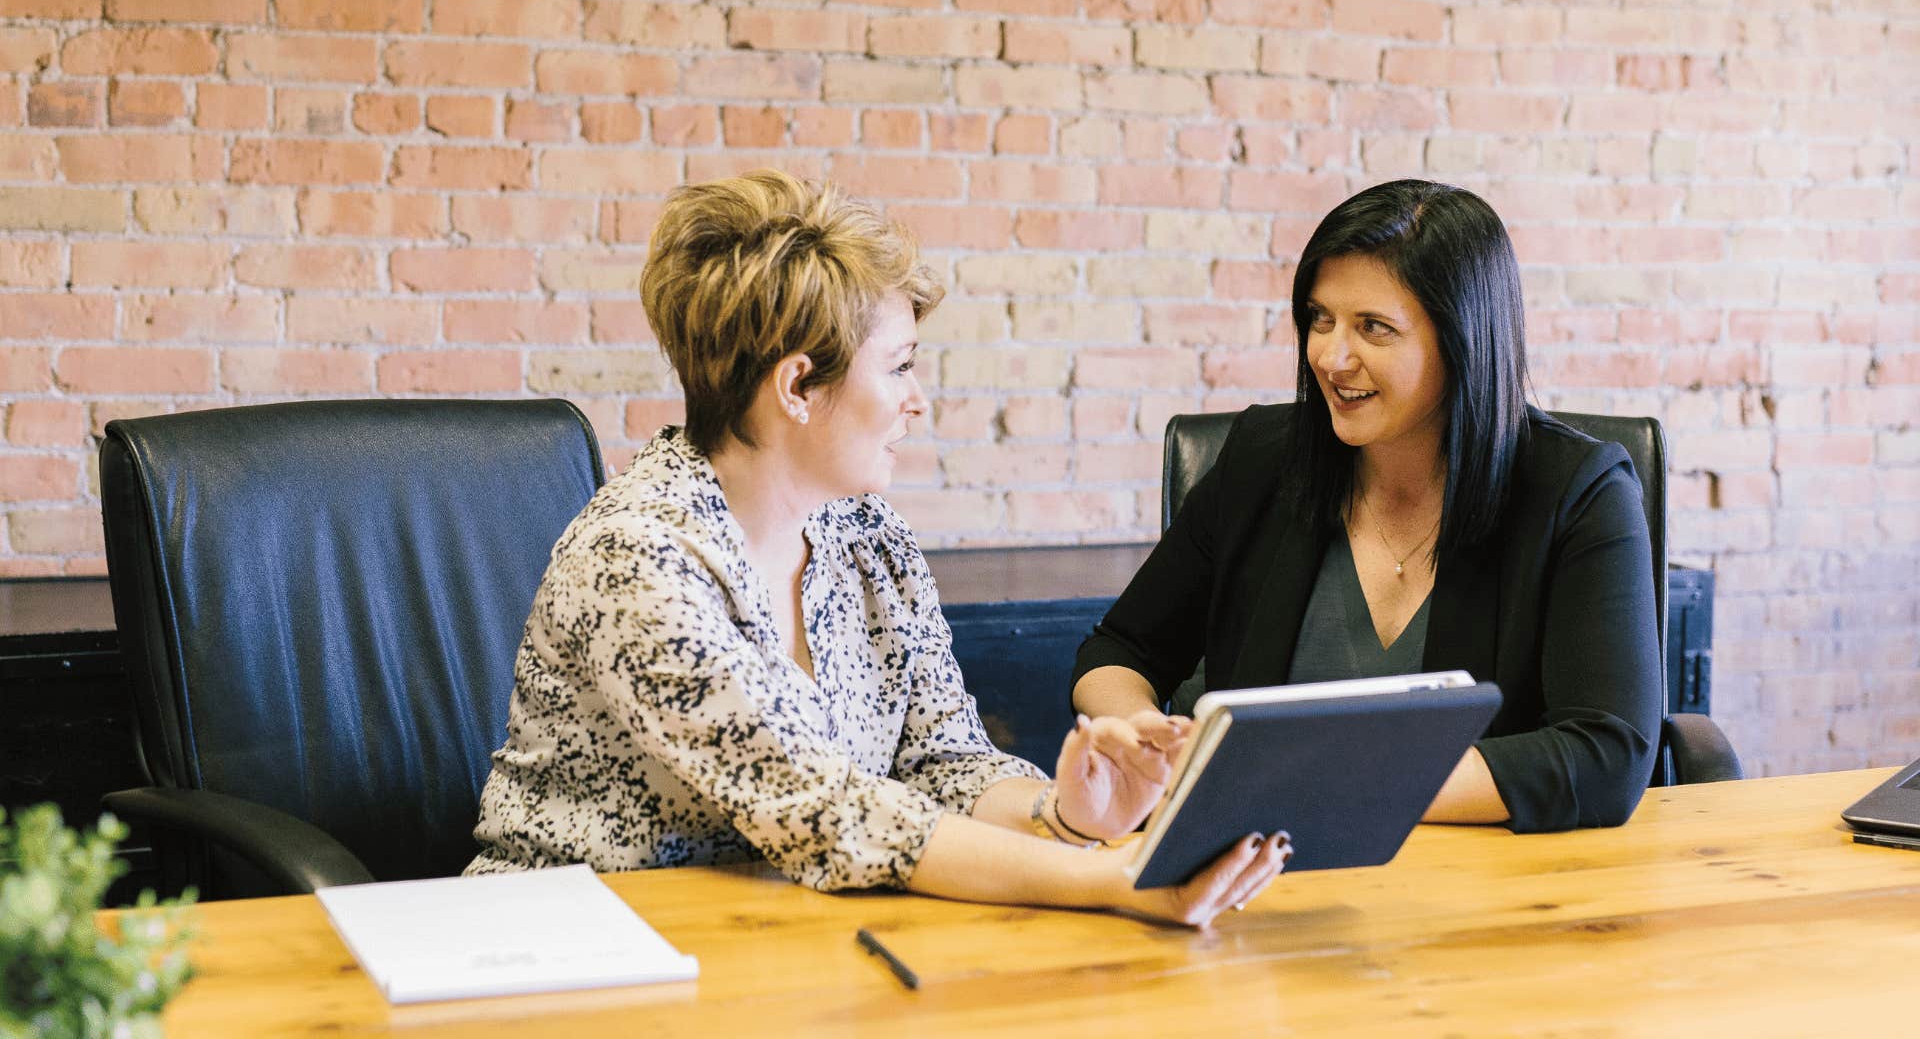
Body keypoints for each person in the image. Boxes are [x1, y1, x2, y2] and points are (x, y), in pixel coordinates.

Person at [467, 169, 1289, 926]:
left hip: (780, 938)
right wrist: (1114, 879)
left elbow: (944, 760)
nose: (918, 401)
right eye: (898, 367)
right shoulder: (637, 559)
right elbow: (827, 811)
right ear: (798, 386)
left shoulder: (866, 535)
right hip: (570, 948)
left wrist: (1067, 815)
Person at [1072, 179, 1662, 833]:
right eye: (1320, 319)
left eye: (1373, 328)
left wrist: (1315, 784)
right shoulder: (1262, 460)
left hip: (1483, 884)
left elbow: (1606, 754)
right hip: (1256, 877)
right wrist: (1136, 730)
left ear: (1462, 338)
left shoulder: (1579, 492)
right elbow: (1119, 650)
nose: (1330, 356)